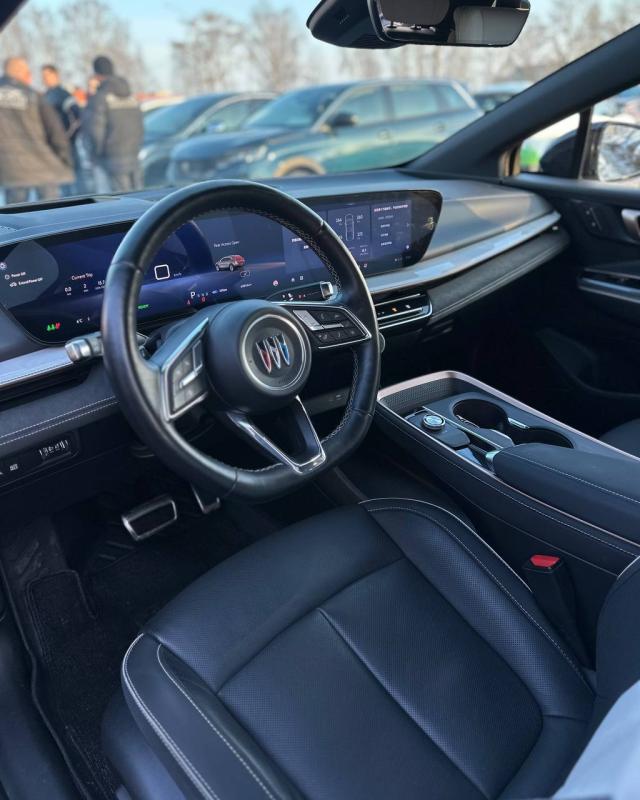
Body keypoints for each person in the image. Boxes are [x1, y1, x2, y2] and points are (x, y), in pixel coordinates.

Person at [0, 57, 73, 204]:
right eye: (28, 73)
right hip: (41, 164)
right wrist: (64, 158)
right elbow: (55, 132)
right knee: (49, 210)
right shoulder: (34, 95)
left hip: (9, 169)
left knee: (16, 211)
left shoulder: (48, 95)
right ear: (21, 73)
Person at [84, 55, 143, 193]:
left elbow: (95, 131)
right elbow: (140, 125)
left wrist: (96, 155)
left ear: (97, 75)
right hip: (133, 154)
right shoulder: (130, 96)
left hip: (112, 158)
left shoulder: (100, 98)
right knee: (139, 195)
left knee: (121, 199)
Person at [41, 64, 83, 194]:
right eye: (43, 76)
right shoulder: (44, 96)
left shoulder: (63, 94)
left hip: (68, 147)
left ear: (55, 75)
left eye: (47, 75)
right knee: (61, 189)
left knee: (77, 185)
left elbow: (77, 117)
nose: (44, 79)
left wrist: (66, 138)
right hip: (52, 149)